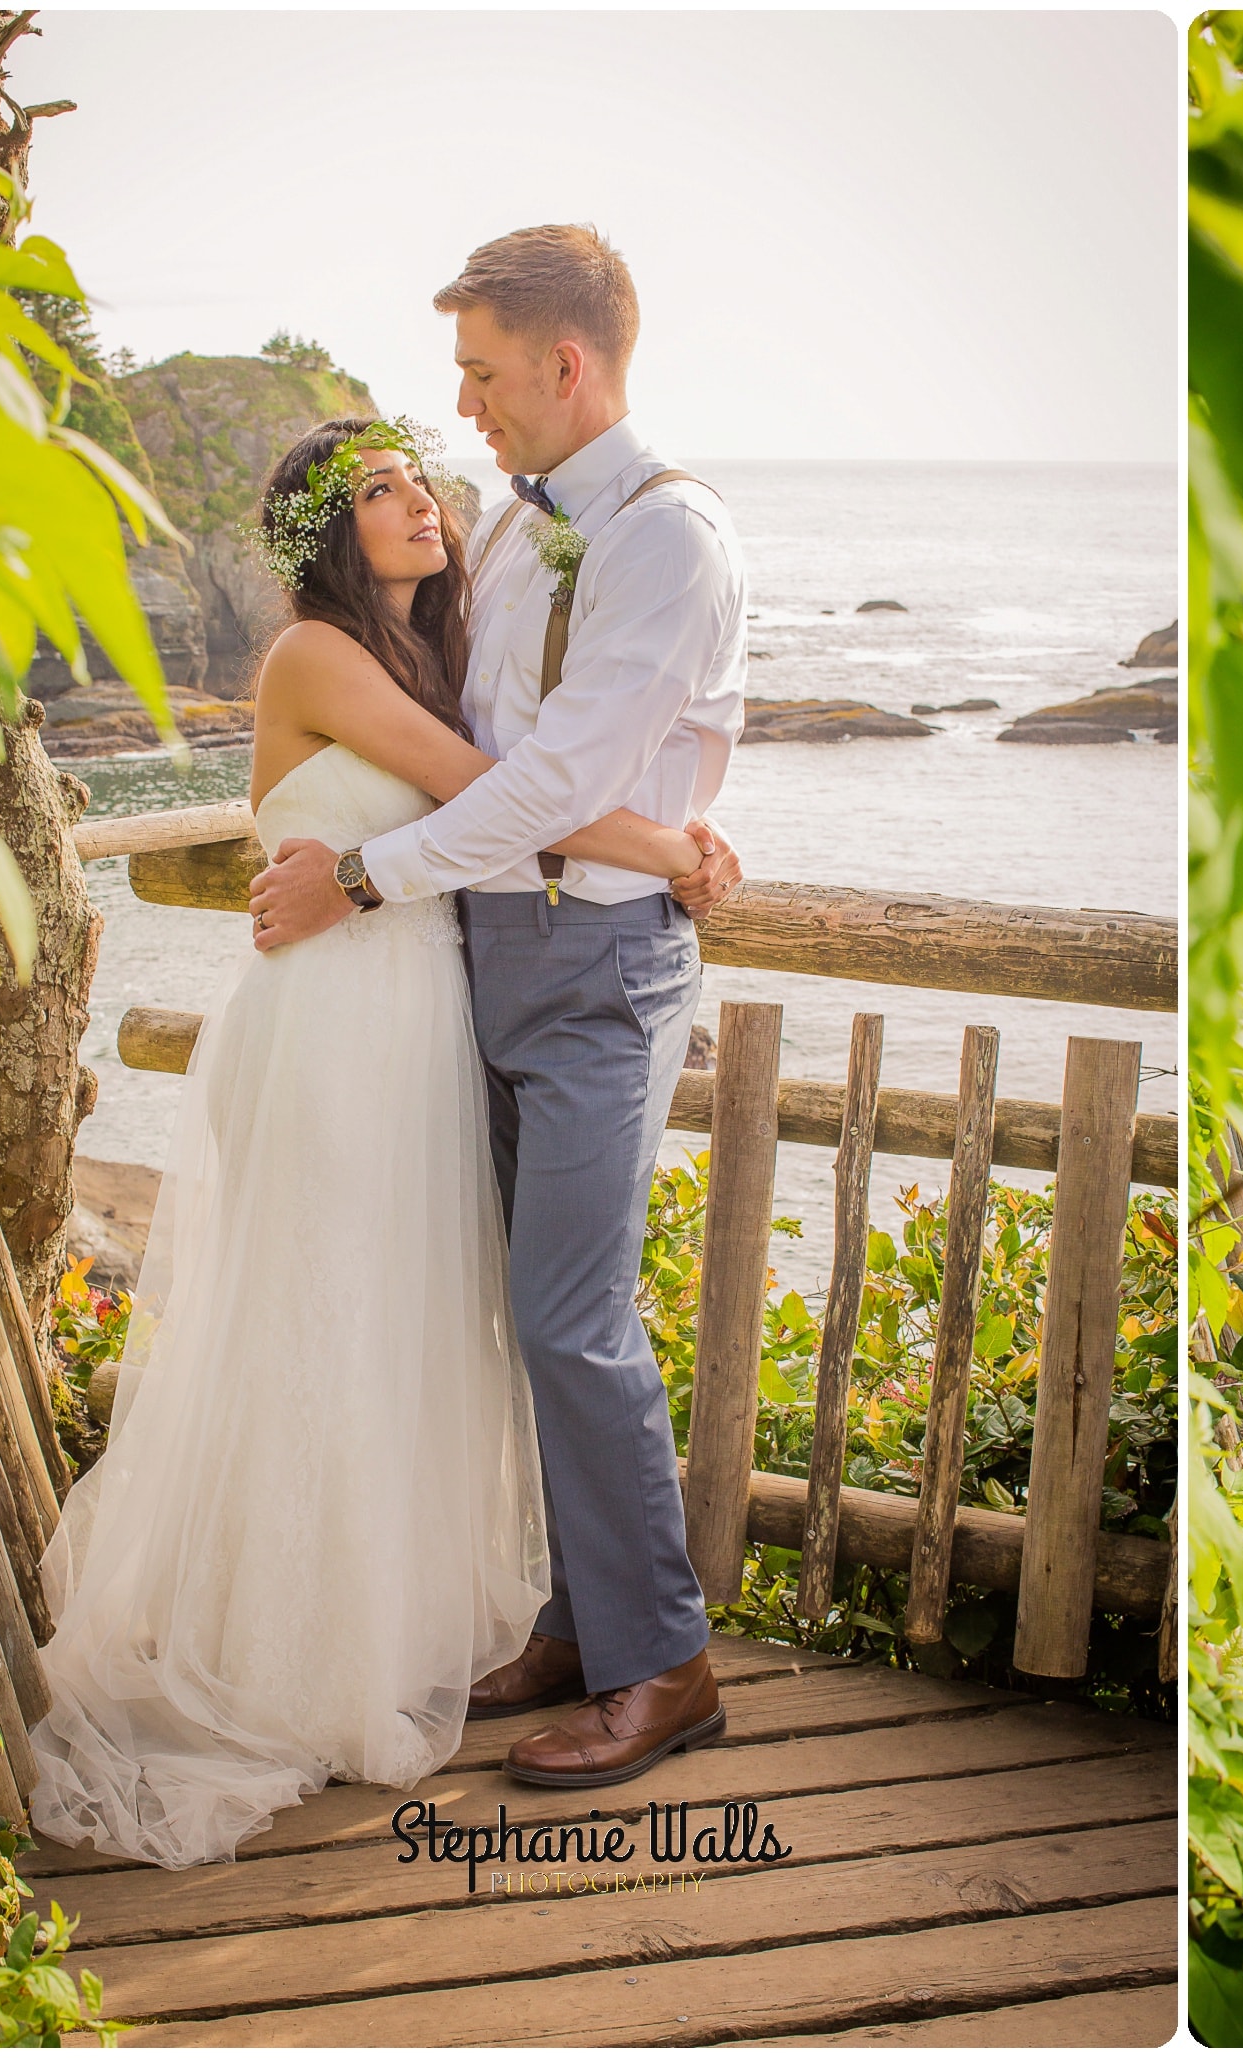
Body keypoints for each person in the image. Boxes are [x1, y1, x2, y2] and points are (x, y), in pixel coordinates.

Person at [28, 415, 735, 1866]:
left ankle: (443, 1624)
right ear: (324, 540)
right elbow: (487, 788)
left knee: (410, 1327)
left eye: (418, 477)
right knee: (319, 1324)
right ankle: (294, 1659)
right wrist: (672, 848)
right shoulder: (313, 655)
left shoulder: (439, 647)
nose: (420, 498)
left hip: (425, 1020)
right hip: (334, 1034)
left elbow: (524, 771)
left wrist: (659, 826)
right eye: (379, 493)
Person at [247, 224, 749, 1787]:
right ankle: (581, 1621)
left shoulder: (668, 541)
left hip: (600, 969)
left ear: (565, 364)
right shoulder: (522, 532)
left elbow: (549, 782)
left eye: (478, 371)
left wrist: (372, 876)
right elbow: (467, 736)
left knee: (569, 1319)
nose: (461, 405)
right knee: (527, 1318)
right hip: (491, 958)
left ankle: (667, 1666)